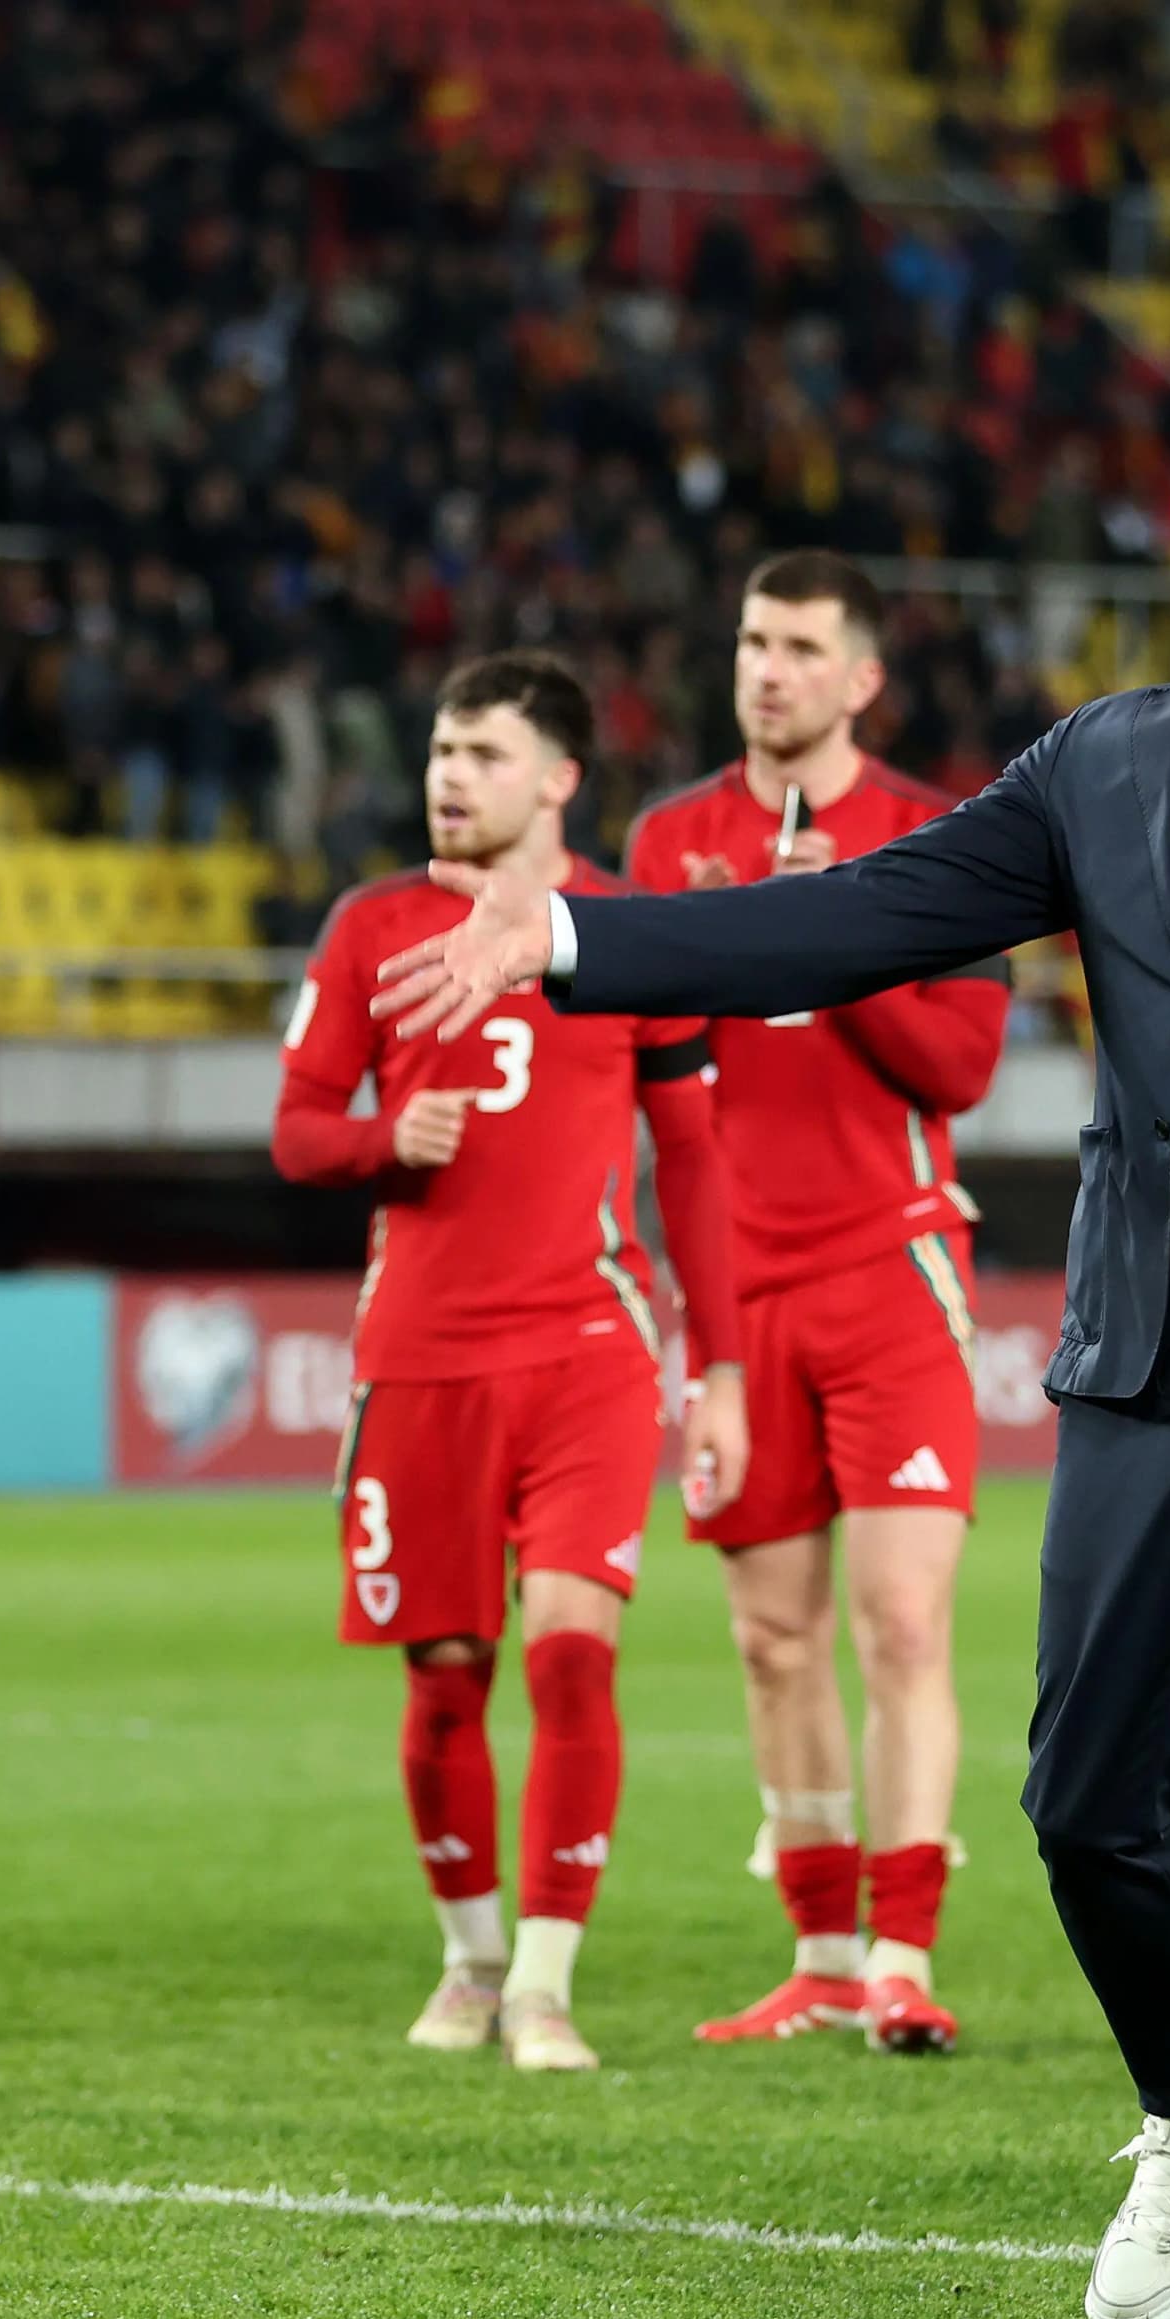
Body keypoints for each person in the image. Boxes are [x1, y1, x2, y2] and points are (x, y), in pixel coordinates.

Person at [373, 382, 1170, 2319]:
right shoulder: (1093, 761)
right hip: (1141, 1356)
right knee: (1083, 1799)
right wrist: (562, 934)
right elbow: (846, 919)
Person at [271, 651, 752, 2074]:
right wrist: (380, 1143)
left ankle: (545, 1980)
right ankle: (470, 1959)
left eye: (480, 753)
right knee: (445, 1676)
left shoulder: (620, 932)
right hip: (416, 1354)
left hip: (586, 1349)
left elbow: (698, 1159)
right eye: (438, 750)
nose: (447, 775)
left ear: (556, 782)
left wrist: (717, 1366)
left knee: (567, 1653)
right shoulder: (368, 928)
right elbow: (298, 1129)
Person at [622, 552, 1008, 2057]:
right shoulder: (672, 838)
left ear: (860, 680)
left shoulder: (932, 837)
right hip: (740, 1293)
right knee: (773, 1642)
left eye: (797, 648)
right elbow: (666, 1094)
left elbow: (961, 1069)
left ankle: (905, 1955)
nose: (765, 669)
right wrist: (699, 1336)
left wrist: (835, 936)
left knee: (903, 1622)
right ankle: (824, 1953)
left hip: (892, 1264)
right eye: (750, 642)